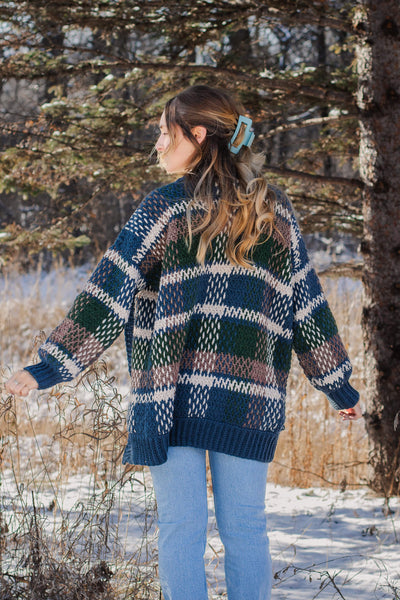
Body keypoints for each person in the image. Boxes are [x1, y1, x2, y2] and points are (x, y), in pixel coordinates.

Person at [5, 85, 362, 600]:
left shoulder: (167, 208)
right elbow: (307, 305)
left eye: (163, 132)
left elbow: (109, 292)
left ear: (197, 135)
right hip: (250, 399)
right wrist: (336, 383)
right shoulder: (272, 209)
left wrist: (50, 365)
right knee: (247, 528)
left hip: (169, 396)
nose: (156, 144)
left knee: (182, 528)